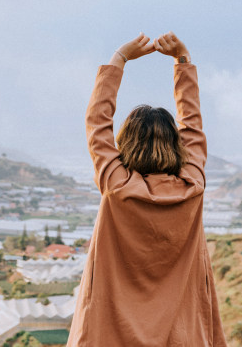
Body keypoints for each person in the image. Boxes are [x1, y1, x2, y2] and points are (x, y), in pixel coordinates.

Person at [67, 32, 227, 346]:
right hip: (181, 335)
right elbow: (192, 125)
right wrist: (182, 61)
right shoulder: (192, 184)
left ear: (125, 142)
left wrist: (119, 59)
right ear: (176, 144)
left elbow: (97, 122)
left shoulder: (116, 184)